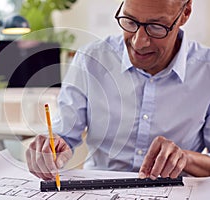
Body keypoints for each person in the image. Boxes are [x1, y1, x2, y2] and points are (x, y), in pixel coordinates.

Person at [26, 0, 210, 181]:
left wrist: (186, 159)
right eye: (130, 22)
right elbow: (63, 134)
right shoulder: (90, 60)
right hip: (98, 192)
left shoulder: (206, 71)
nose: (139, 42)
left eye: (156, 26)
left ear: (185, 13)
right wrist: (51, 149)